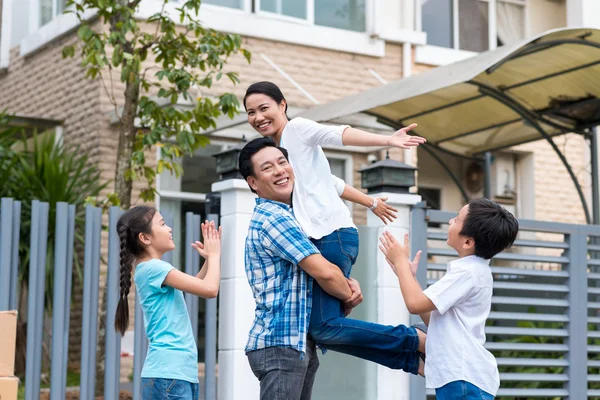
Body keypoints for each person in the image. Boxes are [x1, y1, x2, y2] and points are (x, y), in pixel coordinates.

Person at [239, 137, 425, 400]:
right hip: (281, 345)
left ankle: (412, 353)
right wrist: (345, 290)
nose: (280, 170)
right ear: (253, 183)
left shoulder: (294, 214)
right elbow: (324, 273)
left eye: (283, 162)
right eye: (268, 167)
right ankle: (413, 341)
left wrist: (344, 280)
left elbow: (323, 271)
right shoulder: (275, 218)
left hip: (295, 343)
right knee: (328, 328)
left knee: (326, 331)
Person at [243, 81, 426, 344]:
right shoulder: (280, 149)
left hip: (330, 236)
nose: (258, 117)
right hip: (328, 237)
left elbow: (339, 134)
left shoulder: (297, 129)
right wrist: (370, 203)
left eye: (264, 108)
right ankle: (412, 351)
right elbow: (329, 181)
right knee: (322, 327)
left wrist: (387, 140)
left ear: (282, 105)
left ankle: (413, 342)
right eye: (251, 113)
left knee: (324, 327)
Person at [379, 198, 519, 400]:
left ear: (468, 241)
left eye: (457, 219)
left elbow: (414, 304)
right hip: (464, 379)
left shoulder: (467, 272)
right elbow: (435, 319)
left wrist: (401, 262)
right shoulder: (473, 270)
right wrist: (406, 274)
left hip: (463, 379)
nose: (450, 221)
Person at [114, 205, 222, 400]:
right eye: (162, 224)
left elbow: (197, 285)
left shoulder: (151, 269)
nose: (170, 228)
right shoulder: (153, 268)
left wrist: (208, 260)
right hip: (169, 375)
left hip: (175, 374)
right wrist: (215, 256)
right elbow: (210, 289)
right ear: (145, 238)